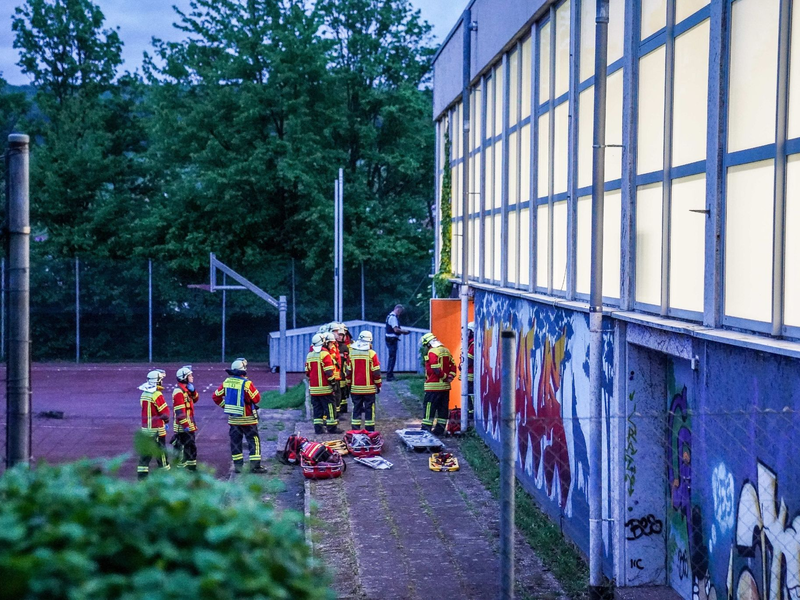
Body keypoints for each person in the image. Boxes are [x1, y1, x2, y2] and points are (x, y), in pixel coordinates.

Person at [212, 358, 267, 474]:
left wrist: (226, 406)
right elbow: (257, 398)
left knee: (235, 442)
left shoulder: (226, 382)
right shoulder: (246, 383)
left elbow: (215, 397)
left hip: (233, 420)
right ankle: (255, 466)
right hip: (248, 419)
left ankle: (238, 467)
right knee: (254, 441)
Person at [420, 333, 456, 436]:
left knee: (429, 409)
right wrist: (450, 377)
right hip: (445, 387)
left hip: (433, 387)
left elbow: (435, 369)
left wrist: (444, 377)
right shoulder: (446, 350)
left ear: (428, 343)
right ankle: (439, 431)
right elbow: (453, 366)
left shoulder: (432, 352)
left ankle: (426, 430)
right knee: (443, 409)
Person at [137, 369, 170, 479]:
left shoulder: (143, 394)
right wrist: (166, 421)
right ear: (157, 381)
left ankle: (142, 479)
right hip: (157, 430)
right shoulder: (157, 394)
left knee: (145, 456)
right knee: (162, 455)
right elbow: (165, 413)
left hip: (145, 430)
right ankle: (166, 478)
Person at [306, 333, 340, 434]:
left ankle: (318, 429)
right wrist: (333, 382)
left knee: (317, 409)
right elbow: (329, 372)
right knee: (330, 407)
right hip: (325, 389)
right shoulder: (325, 354)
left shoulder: (309, 355)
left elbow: (307, 372)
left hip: (314, 389)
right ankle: (332, 428)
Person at [349, 330, 382, 431]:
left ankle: (355, 429)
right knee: (369, 409)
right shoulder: (372, 354)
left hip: (355, 389)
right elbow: (376, 372)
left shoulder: (352, 353)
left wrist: (349, 384)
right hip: (369, 389)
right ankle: (369, 429)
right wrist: (378, 385)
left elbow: (348, 371)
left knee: (356, 408)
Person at [171, 365, 199, 471]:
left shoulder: (186, 390)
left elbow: (195, 399)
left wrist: (193, 391)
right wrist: (186, 425)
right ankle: (181, 470)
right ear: (184, 377)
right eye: (190, 375)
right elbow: (179, 412)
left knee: (191, 447)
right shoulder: (179, 392)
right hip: (183, 427)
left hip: (189, 425)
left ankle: (191, 468)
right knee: (183, 449)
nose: (192, 377)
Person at [384, 304, 410, 381]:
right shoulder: (393, 317)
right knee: (392, 358)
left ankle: (390, 374)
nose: (400, 314)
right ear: (398, 310)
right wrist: (404, 332)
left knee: (392, 357)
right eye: (400, 312)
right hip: (392, 339)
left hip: (390, 339)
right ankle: (389, 376)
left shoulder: (389, 316)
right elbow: (396, 329)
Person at [332, 322, 352, 415]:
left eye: (342, 335)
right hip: (335, 375)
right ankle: (337, 412)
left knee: (343, 393)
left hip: (343, 374)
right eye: (339, 334)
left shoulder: (345, 347)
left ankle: (342, 409)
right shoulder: (333, 347)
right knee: (337, 394)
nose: (340, 337)